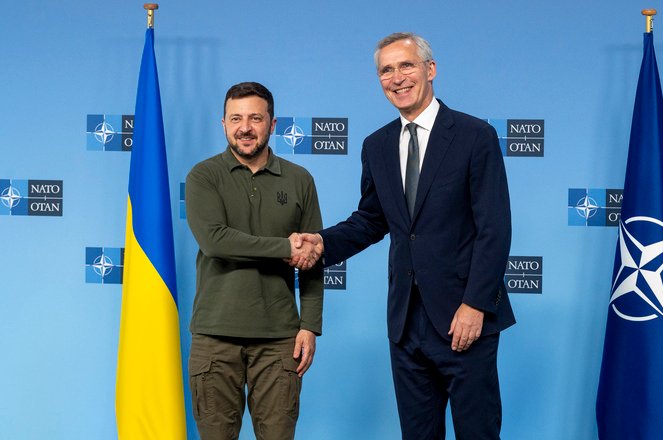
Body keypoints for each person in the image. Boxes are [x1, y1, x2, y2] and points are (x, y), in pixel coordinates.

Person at [293, 33, 515, 439]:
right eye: (386, 70)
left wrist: (475, 304)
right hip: (405, 323)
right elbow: (371, 220)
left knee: (478, 432)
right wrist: (324, 243)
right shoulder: (376, 145)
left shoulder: (473, 135)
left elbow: (494, 228)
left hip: (464, 319)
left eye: (406, 65)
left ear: (431, 70)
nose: (397, 77)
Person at [185, 81, 323, 440]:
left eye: (255, 118)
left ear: (272, 124)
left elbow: (312, 257)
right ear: (224, 124)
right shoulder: (203, 176)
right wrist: (284, 248)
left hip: (279, 339)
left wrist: (309, 324)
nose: (245, 127)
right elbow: (215, 240)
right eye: (236, 118)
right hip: (215, 337)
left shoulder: (300, 180)